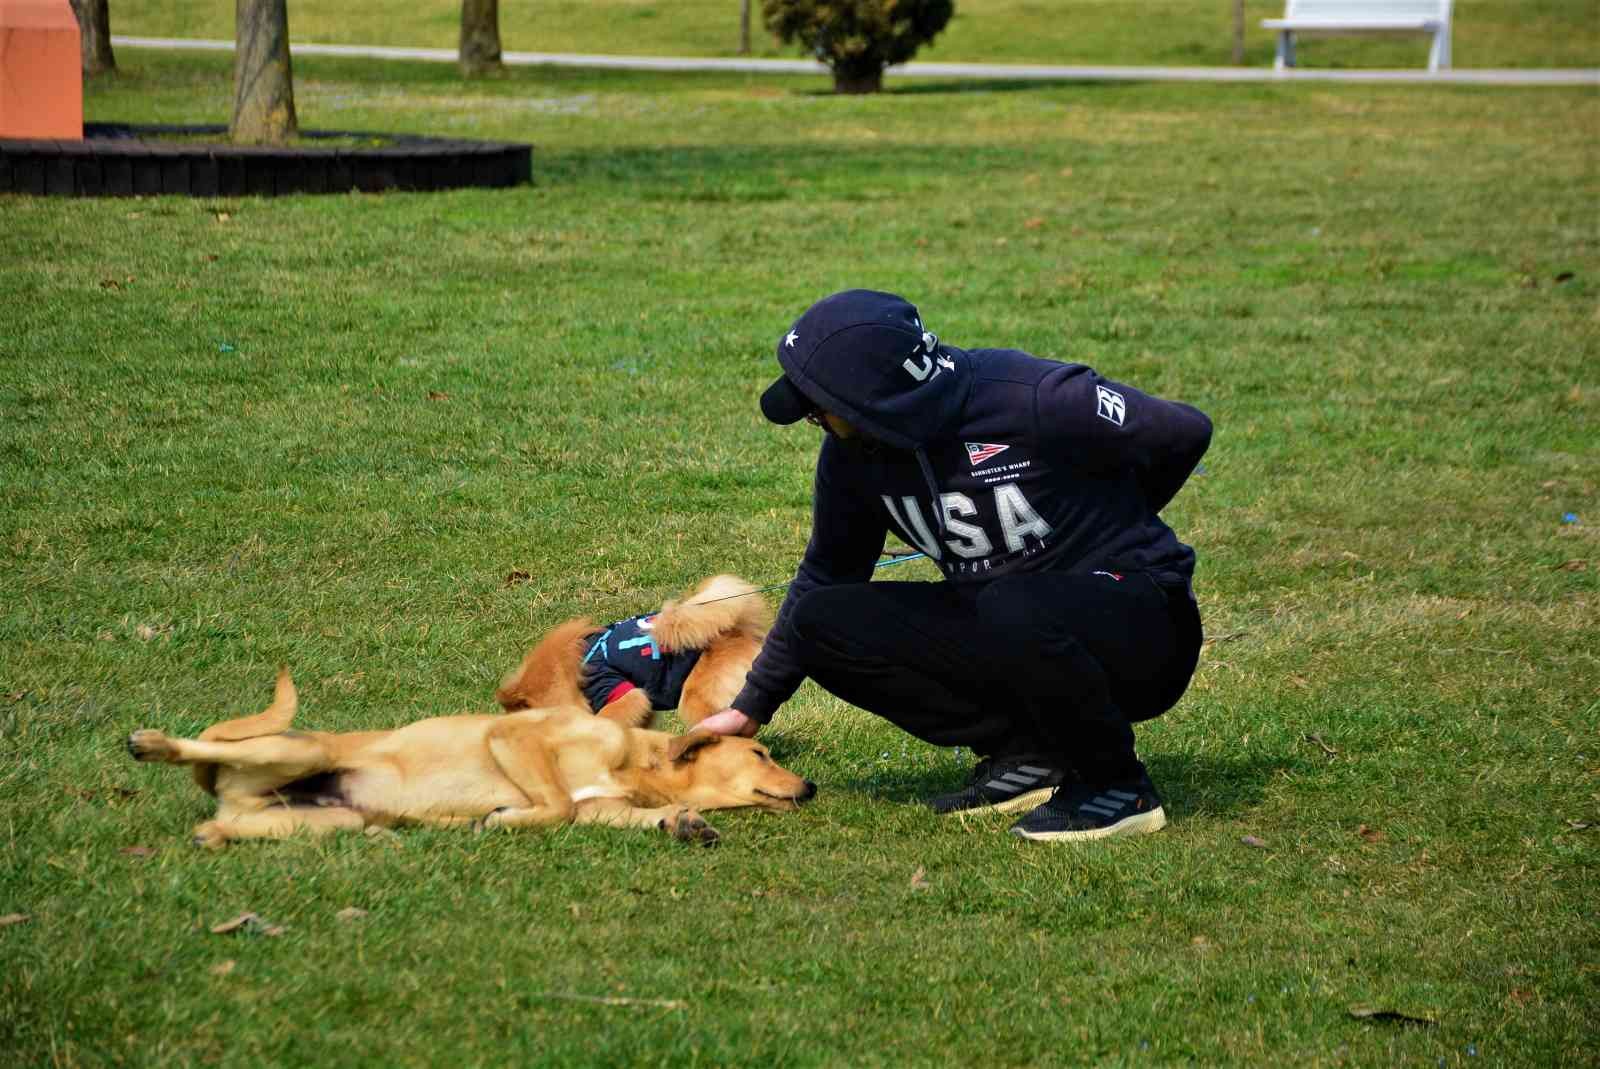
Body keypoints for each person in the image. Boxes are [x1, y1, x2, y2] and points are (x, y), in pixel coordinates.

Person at [695, 290, 1211, 841]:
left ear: (880, 399)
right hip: (1015, 628)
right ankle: (1029, 755)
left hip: (1143, 629)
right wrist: (752, 706)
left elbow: (1184, 431)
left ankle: (1116, 786)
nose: (813, 417)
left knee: (1014, 601)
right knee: (821, 620)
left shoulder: (1034, 397)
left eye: (821, 404)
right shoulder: (853, 456)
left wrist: (1112, 523)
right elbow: (829, 571)